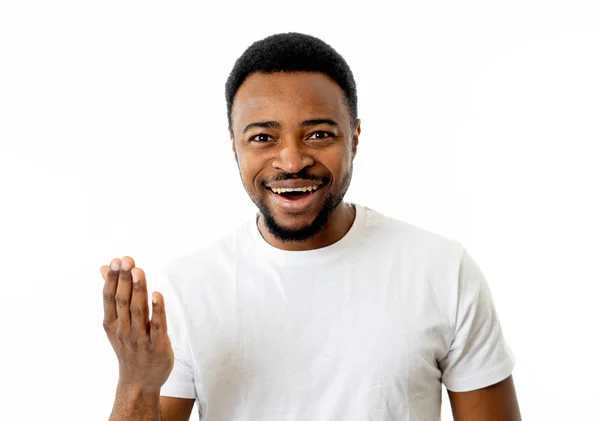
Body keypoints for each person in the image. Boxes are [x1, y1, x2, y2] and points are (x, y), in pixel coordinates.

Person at [100, 32, 522, 421]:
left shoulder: (443, 272)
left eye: (318, 134)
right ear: (234, 145)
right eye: (263, 138)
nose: (291, 160)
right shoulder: (188, 288)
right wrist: (138, 379)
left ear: (354, 138)